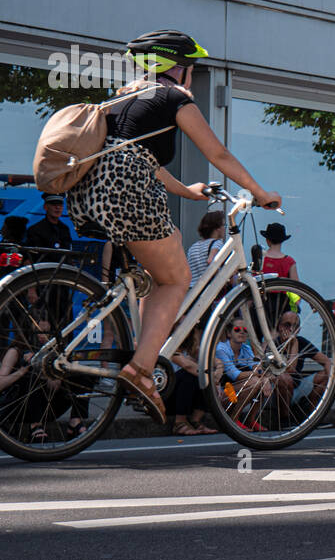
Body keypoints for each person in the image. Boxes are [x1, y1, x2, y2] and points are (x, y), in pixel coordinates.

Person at [65, 29, 281, 424]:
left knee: (164, 261)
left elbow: (139, 158)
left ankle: (148, 349)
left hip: (91, 192)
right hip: (129, 192)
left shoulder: (121, 99)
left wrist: (187, 191)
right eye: (191, 68)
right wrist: (259, 191)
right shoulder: (173, 98)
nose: (192, 78)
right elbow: (217, 152)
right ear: (173, 67)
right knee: (176, 280)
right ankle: (141, 370)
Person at [168, 327, 218, 435]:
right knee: (192, 375)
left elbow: (213, 360)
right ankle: (179, 423)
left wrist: (219, 369)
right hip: (165, 400)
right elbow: (187, 366)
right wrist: (213, 376)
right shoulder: (168, 348)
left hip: (182, 400)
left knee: (203, 375)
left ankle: (195, 420)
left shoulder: (191, 349)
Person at [186, 210, 225, 289]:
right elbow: (210, 261)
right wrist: (224, 277)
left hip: (192, 291)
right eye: (224, 225)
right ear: (217, 228)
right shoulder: (217, 243)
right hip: (207, 290)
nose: (225, 228)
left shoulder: (193, 247)